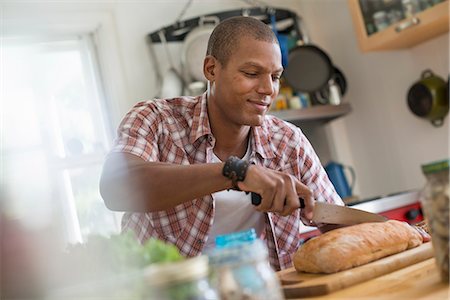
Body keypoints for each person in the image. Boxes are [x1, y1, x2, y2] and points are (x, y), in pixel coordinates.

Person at [99, 16, 343, 271]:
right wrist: (236, 173)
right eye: (251, 73)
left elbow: (335, 222)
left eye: (275, 77)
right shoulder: (155, 119)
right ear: (211, 70)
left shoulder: (288, 142)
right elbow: (115, 188)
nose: (268, 89)